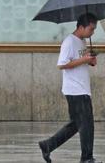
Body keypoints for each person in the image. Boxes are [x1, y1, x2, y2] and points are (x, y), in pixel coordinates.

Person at [38, 13, 100, 163]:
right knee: (87, 125)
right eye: (91, 29)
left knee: (76, 125)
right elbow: (62, 64)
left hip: (82, 88)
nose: (93, 32)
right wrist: (83, 60)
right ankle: (87, 158)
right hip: (75, 90)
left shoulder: (82, 41)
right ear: (81, 26)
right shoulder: (69, 42)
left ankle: (48, 145)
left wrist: (90, 60)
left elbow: (82, 61)